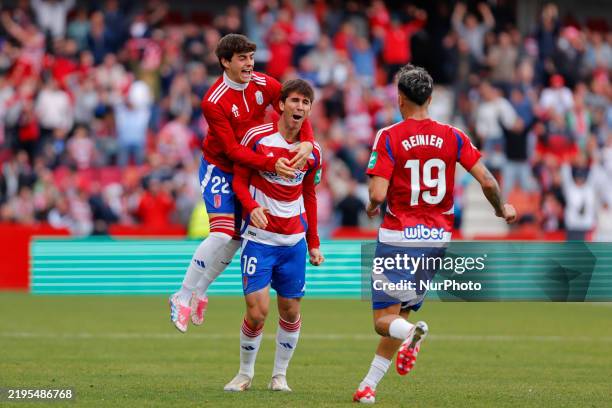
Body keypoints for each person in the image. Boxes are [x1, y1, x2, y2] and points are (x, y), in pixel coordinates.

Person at [353, 65, 516, 404]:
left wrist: (371, 204)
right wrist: (502, 209)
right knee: (400, 315)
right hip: (435, 241)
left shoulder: (389, 136)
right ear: (430, 98)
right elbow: (487, 180)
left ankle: (412, 334)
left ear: (400, 98)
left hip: (399, 237)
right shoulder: (453, 135)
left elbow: (379, 194)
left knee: (384, 321)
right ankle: (368, 386)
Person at [169, 34, 315, 333]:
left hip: (252, 165)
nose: (249, 64)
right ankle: (181, 295)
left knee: (236, 240)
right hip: (222, 167)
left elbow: (296, 111)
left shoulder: (266, 84)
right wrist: (271, 163)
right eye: (242, 58)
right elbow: (233, 150)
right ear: (225, 62)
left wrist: (308, 143)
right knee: (222, 236)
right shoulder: (213, 100)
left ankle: (200, 291)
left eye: (251, 57)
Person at [223, 79, 324, 392]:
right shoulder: (257, 137)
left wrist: (314, 243)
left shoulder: (313, 152)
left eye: (306, 103)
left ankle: (279, 376)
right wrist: (251, 206)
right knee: (257, 312)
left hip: (293, 242)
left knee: (290, 311)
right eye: (294, 101)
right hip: (259, 239)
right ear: (281, 104)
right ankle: (244, 373)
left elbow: (310, 194)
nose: (300, 107)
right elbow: (238, 182)